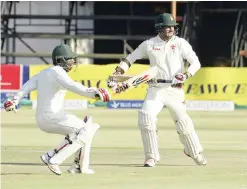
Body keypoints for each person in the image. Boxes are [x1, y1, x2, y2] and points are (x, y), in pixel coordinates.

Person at [107, 13, 207, 167]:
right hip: (155, 89)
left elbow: (196, 62)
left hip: (175, 90)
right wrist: (119, 71)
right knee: (145, 117)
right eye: (167, 27)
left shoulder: (181, 43)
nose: (171, 29)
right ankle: (151, 156)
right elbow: (130, 58)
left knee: (183, 123)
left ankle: (194, 152)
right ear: (159, 27)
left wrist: (186, 74)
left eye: (173, 27)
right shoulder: (149, 44)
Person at [4, 44, 111, 175]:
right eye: (69, 59)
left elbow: (26, 87)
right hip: (50, 117)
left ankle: (78, 167)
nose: (72, 62)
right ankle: (54, 159)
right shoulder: (57, 72)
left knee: (86, 127)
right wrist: (94, 92)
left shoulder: (44, 73)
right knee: (88, 129)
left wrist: (14, 101)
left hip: (49, 117)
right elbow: (72, 86)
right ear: (60, 60)